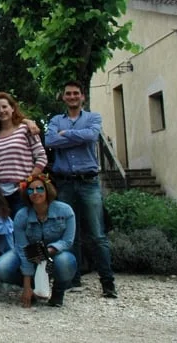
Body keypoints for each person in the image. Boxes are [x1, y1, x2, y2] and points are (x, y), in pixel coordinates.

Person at [45, 80, 117, 298]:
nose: (72, 97)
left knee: (97, 234)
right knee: (69, 233)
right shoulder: (56, 120)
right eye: (68, 93)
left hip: (88, 182)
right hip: (65, 182)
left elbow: (92, 136)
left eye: (76, 93)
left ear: (82, 96)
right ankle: (72, 280)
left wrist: (65, 135)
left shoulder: (93, 118)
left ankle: (108, 283)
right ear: (64, 97)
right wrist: (75, 136)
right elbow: (49, 140)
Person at [0, 174, 77, 307]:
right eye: (31, 190)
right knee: (1, 267)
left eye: (40, 189)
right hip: (29, 254)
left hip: (55, 253)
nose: (35, 193)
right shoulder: (22, 215)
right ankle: (33, 286)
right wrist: (26, 286)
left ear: (47, 190)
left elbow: (67, 241)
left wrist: (47, 251)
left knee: (66, 261)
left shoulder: (65, 211)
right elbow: (22, 248)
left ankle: (58, 291)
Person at [0, 92, 46, 218]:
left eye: (4, 107)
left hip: (20, 191)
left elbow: (42, 157)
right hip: (0, 193)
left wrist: (28, 182)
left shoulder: (26, 129)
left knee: (20, 229)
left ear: (12, 108)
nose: (1, 110)